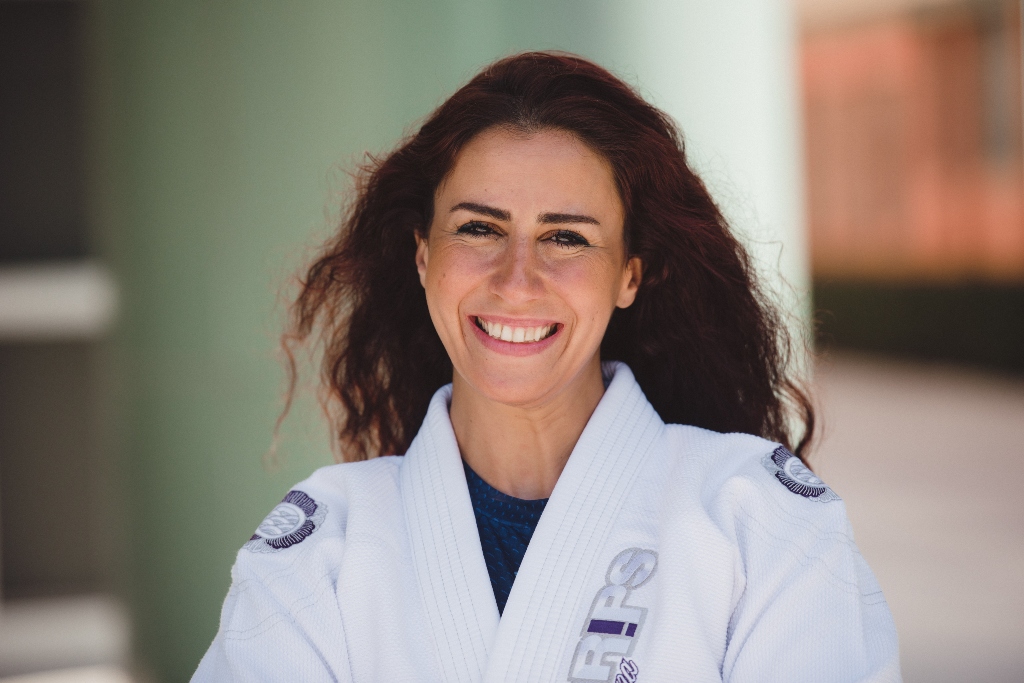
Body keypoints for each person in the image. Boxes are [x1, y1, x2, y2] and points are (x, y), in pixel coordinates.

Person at [193, 52, 900, 682]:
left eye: (566, 237)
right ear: (422, 258)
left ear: (629, 275)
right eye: (479, 228)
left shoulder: (761, 523)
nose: (517, 279)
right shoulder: (320, 549)